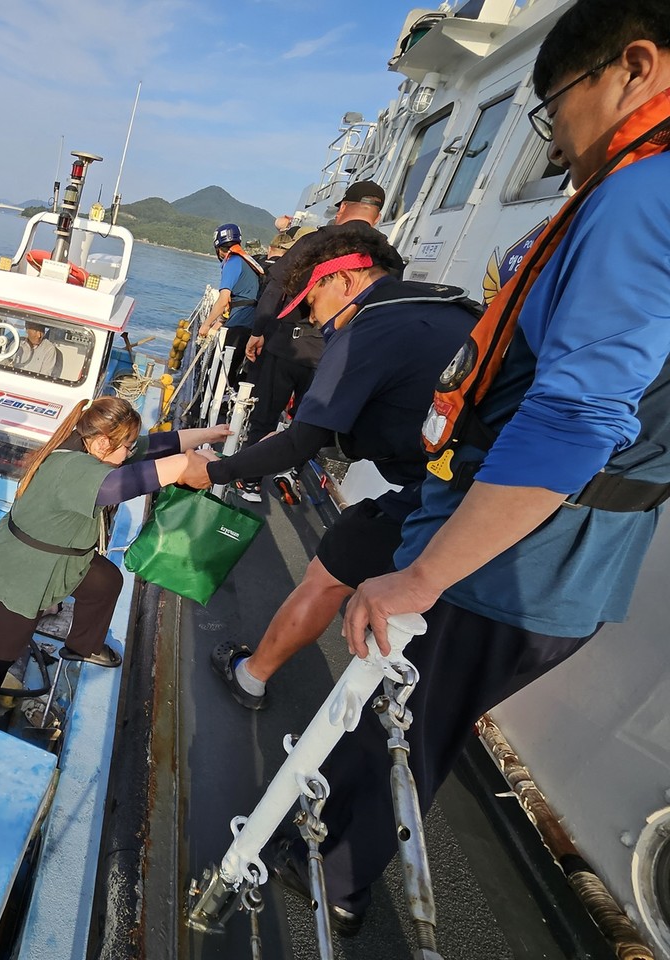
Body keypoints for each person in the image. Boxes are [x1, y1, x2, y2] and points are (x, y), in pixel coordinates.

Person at [271, 2, 670, 935]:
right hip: (566, 568)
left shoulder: (639, 197)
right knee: (422, 721)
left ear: (632, 68)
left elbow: (575, 419)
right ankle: (337, 856)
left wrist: (419, 574)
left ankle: (332, 877)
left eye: (553, 109)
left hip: (509, 571)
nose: (559, 145)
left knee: (405, 725)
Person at [180, 229, 479, 711]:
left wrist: (213, 471)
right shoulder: (444, 306)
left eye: (311, 301)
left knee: (331, 566)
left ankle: (251, 677)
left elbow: (300, 442)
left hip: (448, 494)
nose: (310, 317)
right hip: (481, 486)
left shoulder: (366, 329)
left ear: (343, 279)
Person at [0, 398, 225, 717]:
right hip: (19, 574)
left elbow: (154, 445)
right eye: (126, 448)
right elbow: (119, 486)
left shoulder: (91, 442)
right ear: (103, 441)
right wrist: (187, 465)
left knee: (105, 582)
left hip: (59, 559)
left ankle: (82, 647)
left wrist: (208, 434)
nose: (130, 454)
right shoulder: (74, 467)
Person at [236, 182, 401, 502]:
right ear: (377, 217)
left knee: (265, 416)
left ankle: (250, 480)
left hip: (287, 346)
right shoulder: (389, 258)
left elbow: (275, 288)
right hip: (335, 356)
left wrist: (258, 331)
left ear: (341, 209)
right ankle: (291, 470)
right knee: (307, 423)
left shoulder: (315, 241)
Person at [198, 223, 263, 391]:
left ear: (218, 247)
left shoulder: (233, 261)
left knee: (218, 370)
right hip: (249, 323)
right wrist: (218, 322)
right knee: (230, 370)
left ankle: (203, 412)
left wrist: (206, 325)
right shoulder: (245, 261)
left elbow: (223, 299)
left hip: (240, 323)